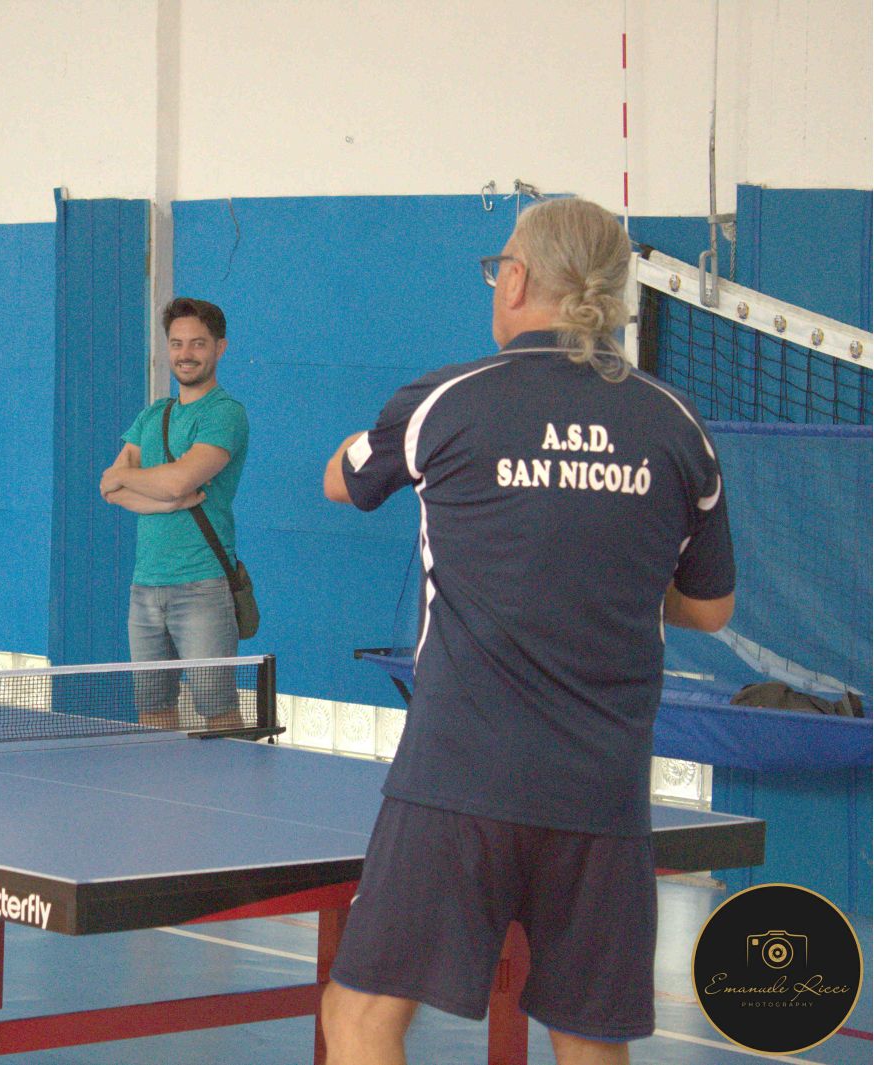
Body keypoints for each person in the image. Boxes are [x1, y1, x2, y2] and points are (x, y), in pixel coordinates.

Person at [318, 198, 735, 1065]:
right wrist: (604, 566)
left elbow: (342, 480)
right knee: (589, 1039)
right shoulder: (676, 425)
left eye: (496, 267)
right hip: (602, 794)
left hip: (458, 777)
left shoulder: (444, 401)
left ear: (515, 280)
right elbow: (708, 608)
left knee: (360, 1018)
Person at [101, 297, 249, 727]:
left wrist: (153, 484)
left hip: (202, 586)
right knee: (153, 710)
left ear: (220, 348)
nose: (186, 354)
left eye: (198, 343)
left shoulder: (225, 414)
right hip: (144, 588)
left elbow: (178, 481)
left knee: (218, 712)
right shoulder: (153, 415)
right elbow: (110, 486)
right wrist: (167, 500)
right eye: (177, 343)